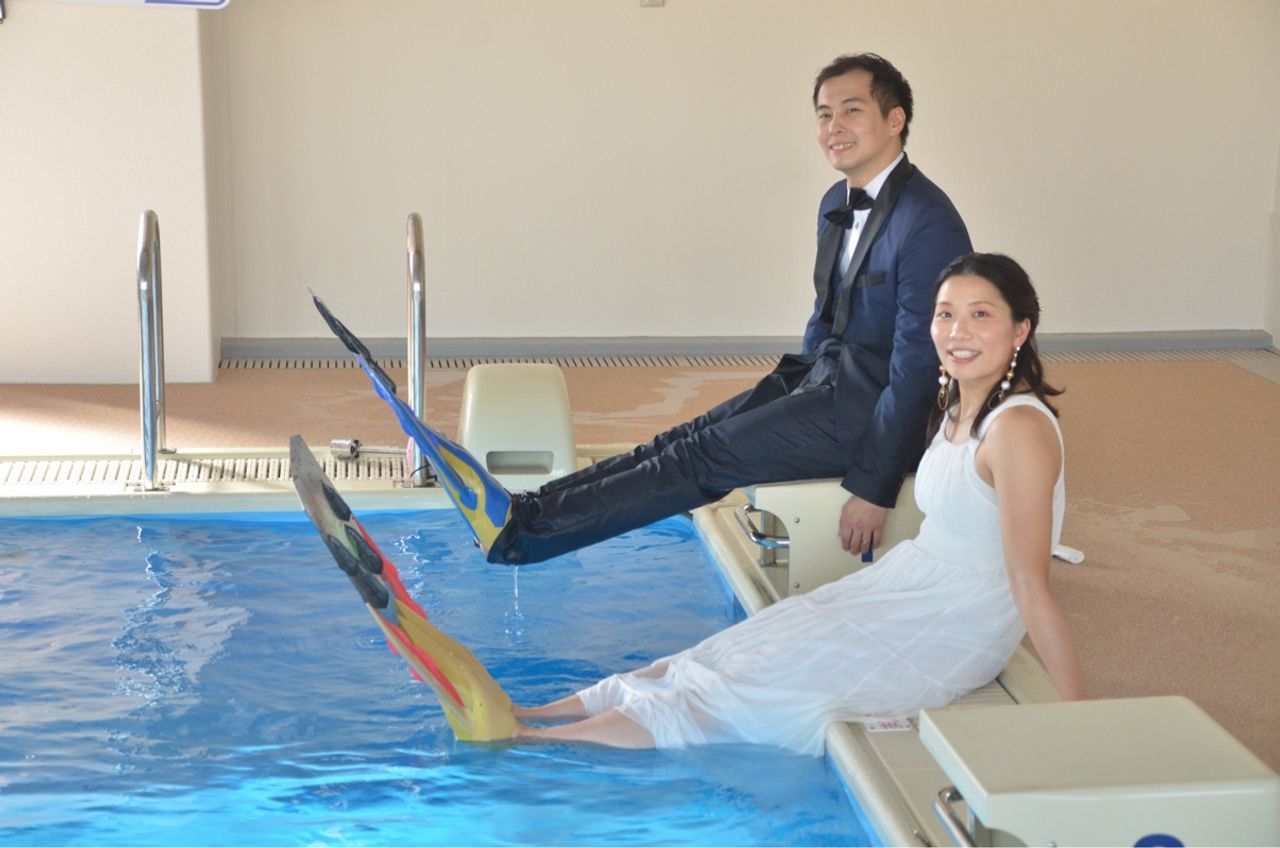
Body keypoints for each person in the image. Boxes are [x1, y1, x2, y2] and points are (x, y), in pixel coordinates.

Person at [299, 253, 1087, 755]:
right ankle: (534, 711)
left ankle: (530, 743)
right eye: (945, 314)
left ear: (1021, 329)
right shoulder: (961, 404)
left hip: (952, 622)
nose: (956, 330)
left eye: (980, 316)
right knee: (721, 653)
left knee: (754, 684)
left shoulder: (1018, 429)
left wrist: (1086, 721)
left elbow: (1028, 584)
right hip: (911, 584)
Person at [315, 52, 973, 566]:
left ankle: (527, 537)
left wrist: (875, 485)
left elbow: (918, 368)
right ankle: (526, 506)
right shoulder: (837, 201)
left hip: (868, 415)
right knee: (679, 439)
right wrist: (791, 391)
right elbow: (824, 320)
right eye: (824, 114)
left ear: (896, 120)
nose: (833, 128)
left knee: (702, 458)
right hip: (824, 383)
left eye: (851, 111)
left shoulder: (927, 222)